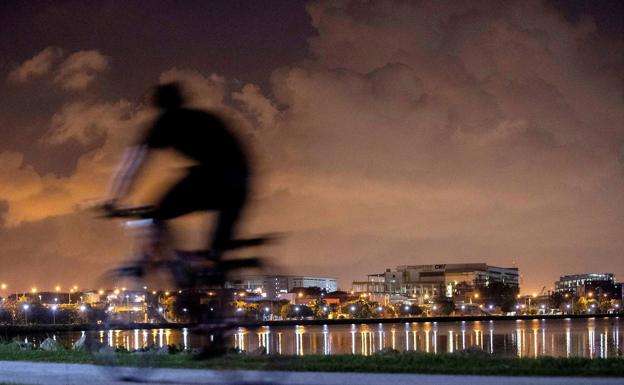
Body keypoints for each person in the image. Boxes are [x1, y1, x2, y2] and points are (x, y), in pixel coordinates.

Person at [106, 82, 251, 260]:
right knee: (216, 249)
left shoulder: (166, 124)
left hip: (216, 176)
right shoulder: (201, 117)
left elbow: (135, 163)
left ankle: (179, 262)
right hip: (240, 179)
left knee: (158, 212)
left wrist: (114, 199)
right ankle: (207, 262)